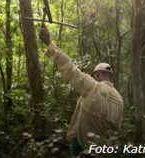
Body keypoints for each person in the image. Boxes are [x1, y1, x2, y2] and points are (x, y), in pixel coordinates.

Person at [39, 25, 124, 156]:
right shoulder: (119, 99)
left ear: (98, 75)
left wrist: (49, 43)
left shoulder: (93, 86)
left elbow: (70, 68)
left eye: (93, 75)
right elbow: (116, 129)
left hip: (82, 145)